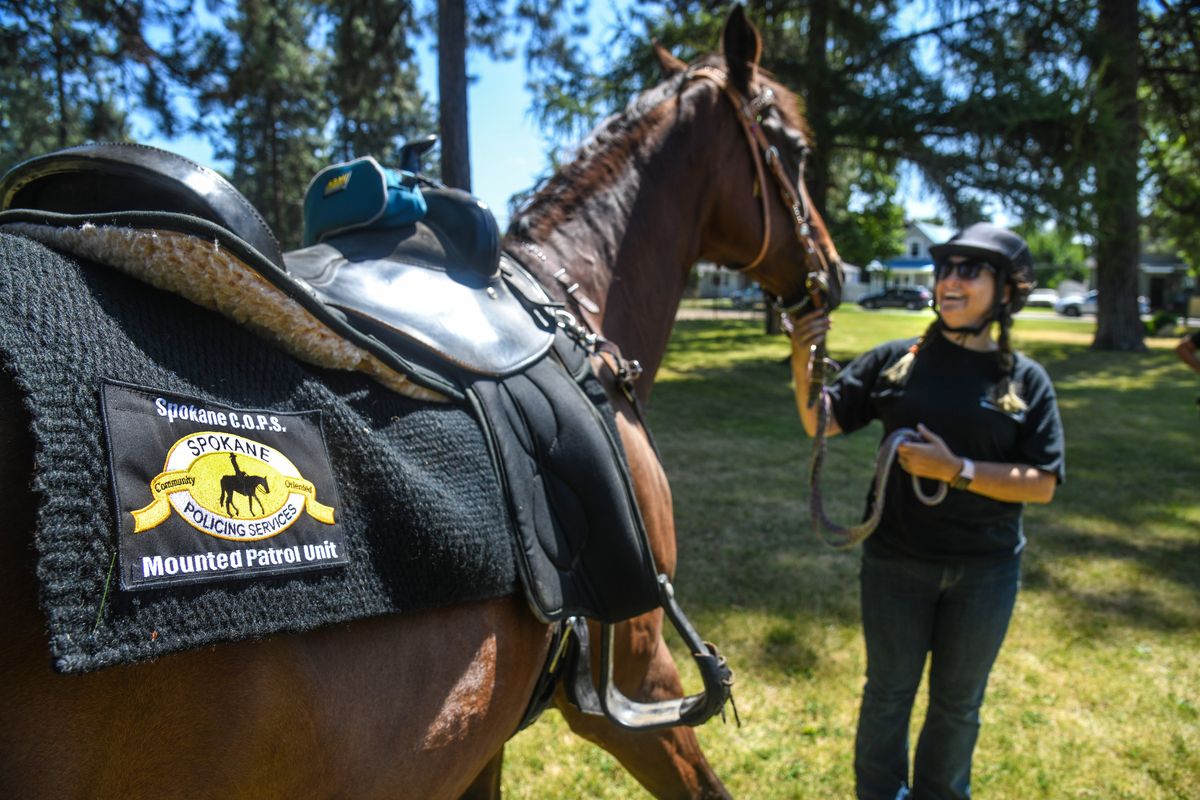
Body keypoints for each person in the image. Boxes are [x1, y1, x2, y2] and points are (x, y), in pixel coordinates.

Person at [788, 223, 1066, 800]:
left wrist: (956, 470)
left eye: (969, 270)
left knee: (958, 704)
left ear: (1007, 292)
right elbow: (822, 421)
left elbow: (1040, 484)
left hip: (986, 573)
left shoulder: (1026, 381)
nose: (949, 281)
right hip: (896, 565)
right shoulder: (897, 361)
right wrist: (800, 358)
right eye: (946, 269)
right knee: (887, 694)